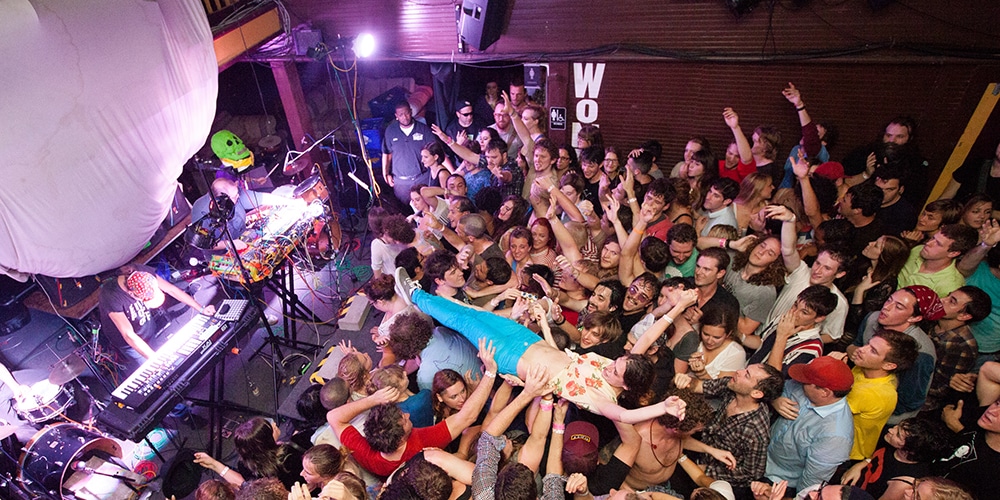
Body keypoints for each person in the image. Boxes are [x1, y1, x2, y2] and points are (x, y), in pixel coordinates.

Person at [394, 267, 688, 424]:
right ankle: (425, 298)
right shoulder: (613, 364)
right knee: (475, 314)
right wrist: (545, 326)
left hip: (512, 357)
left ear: (624, 385)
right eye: (617, 363)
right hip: (529, 340)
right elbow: (643, 340)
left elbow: (626, 416)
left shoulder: (603, 398)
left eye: (615, 372)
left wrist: (663, 407)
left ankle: (417, 296)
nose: (610, 367)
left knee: (464, 323)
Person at [326, 339, 496, 477]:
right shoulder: (422, 444)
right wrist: (490, 372)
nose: (407, 415)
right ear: (401, 440)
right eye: (404, 419)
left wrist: (373, 400)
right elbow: (467, 416)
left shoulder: (370, 457)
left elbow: (333, 417)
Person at [673, 364, 785, 494]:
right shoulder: (733, 385)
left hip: (712, 478)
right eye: (745, 369)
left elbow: (751, 474)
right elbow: (699, 386)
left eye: (747, 375)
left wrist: (706, 470)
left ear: (756, 393)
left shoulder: (755, 431)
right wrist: (685, 380)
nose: (738, 371)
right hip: (698, 449)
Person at [98, 265, 214, 371]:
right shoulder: (110, 295)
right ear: (132, 294)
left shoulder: (140, 272)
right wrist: (155, 360)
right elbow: (129, 335)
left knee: (157, 349)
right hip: (130, 344)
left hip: (147, 327)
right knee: (152, 369)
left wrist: (201, 308)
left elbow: (171, 290)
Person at [766, 356, 855, 495]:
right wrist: (775, 399)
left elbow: (811, 481)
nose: (801, 382)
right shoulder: (804, 389)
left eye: (806, 382)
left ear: (825, 392)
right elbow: (781, 388)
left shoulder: (836, 435)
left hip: (779, 482)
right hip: (758, 456)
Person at [840, 330, 919, 462]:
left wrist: (833, 370)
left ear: (889, 365)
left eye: (873, 351)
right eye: (867, 344)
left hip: (847, 454)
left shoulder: (873, 393)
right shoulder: (866, 369)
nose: (862, 349)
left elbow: (827, 409)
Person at [897, 223, 978, 297]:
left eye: (938, 244)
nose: (928, 243)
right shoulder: (917, 250)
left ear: (953, 253)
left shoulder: (950, 285)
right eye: (933, 238)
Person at [382, 101, 434, 207]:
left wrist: (451, 172)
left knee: (426, 208)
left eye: (406, 113)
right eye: (401, 115)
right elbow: (387, 153)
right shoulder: (390, 131)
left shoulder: (423, 129)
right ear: (396, 116)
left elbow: (436, 152)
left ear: (411, 112)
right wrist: (386, 174)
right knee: (404, 210)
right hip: (401, 182)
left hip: (422, 178)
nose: (404, 117)